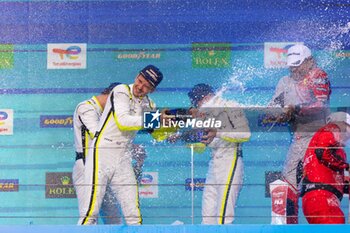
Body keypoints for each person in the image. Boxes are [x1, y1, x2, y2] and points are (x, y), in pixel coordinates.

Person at [78, 65, 164, 225]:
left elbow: (157, 133)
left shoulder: (150, 105)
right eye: (140, 81)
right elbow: (123, 122)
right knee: (91, 212)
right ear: (137, 76)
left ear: (152, 90)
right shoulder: (121, 90)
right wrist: (158, 119)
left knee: (133, 214)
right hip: (102, 152)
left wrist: (178, 122)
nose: (140, 87)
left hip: (123, 158)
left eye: (146, 86)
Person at [266, 44, 331, 223]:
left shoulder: (318, 76)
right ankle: (289, 226)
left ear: (309, 61)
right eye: (291, 65)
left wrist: (295, 110)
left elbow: (320, 106)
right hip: (298, 138)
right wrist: (277, 115)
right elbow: (273, 107)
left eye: (298, 64)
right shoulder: (284, 82)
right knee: (287, 183)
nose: (294, 68)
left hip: (318, 138)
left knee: (318, 185)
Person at [73, 83, 146, 224]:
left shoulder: (109, 113)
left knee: (113, 218)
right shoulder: (86, 107)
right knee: (88, 215)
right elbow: (98, 136)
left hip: (107, 165)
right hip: (86, 165)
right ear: (111, 94)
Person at [187, 83, 251, 224]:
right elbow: (201, 146)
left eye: (199, 102)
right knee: (207, 217)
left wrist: (218, 133)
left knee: (224, 216)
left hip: (230, 160)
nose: (199, 106)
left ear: (208, 96)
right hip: (214, 162)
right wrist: (188, 139)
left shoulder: (230, 106)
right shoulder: (204, 115)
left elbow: (245, 134)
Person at [301, 111, 350, 224]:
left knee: (337, 223)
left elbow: (331, 174)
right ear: (343, 124)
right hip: (321, 197)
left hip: (320, 197)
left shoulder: (333, 145)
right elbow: (322, 152)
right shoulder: (332, 129)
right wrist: (345, 166)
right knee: (335, 225)